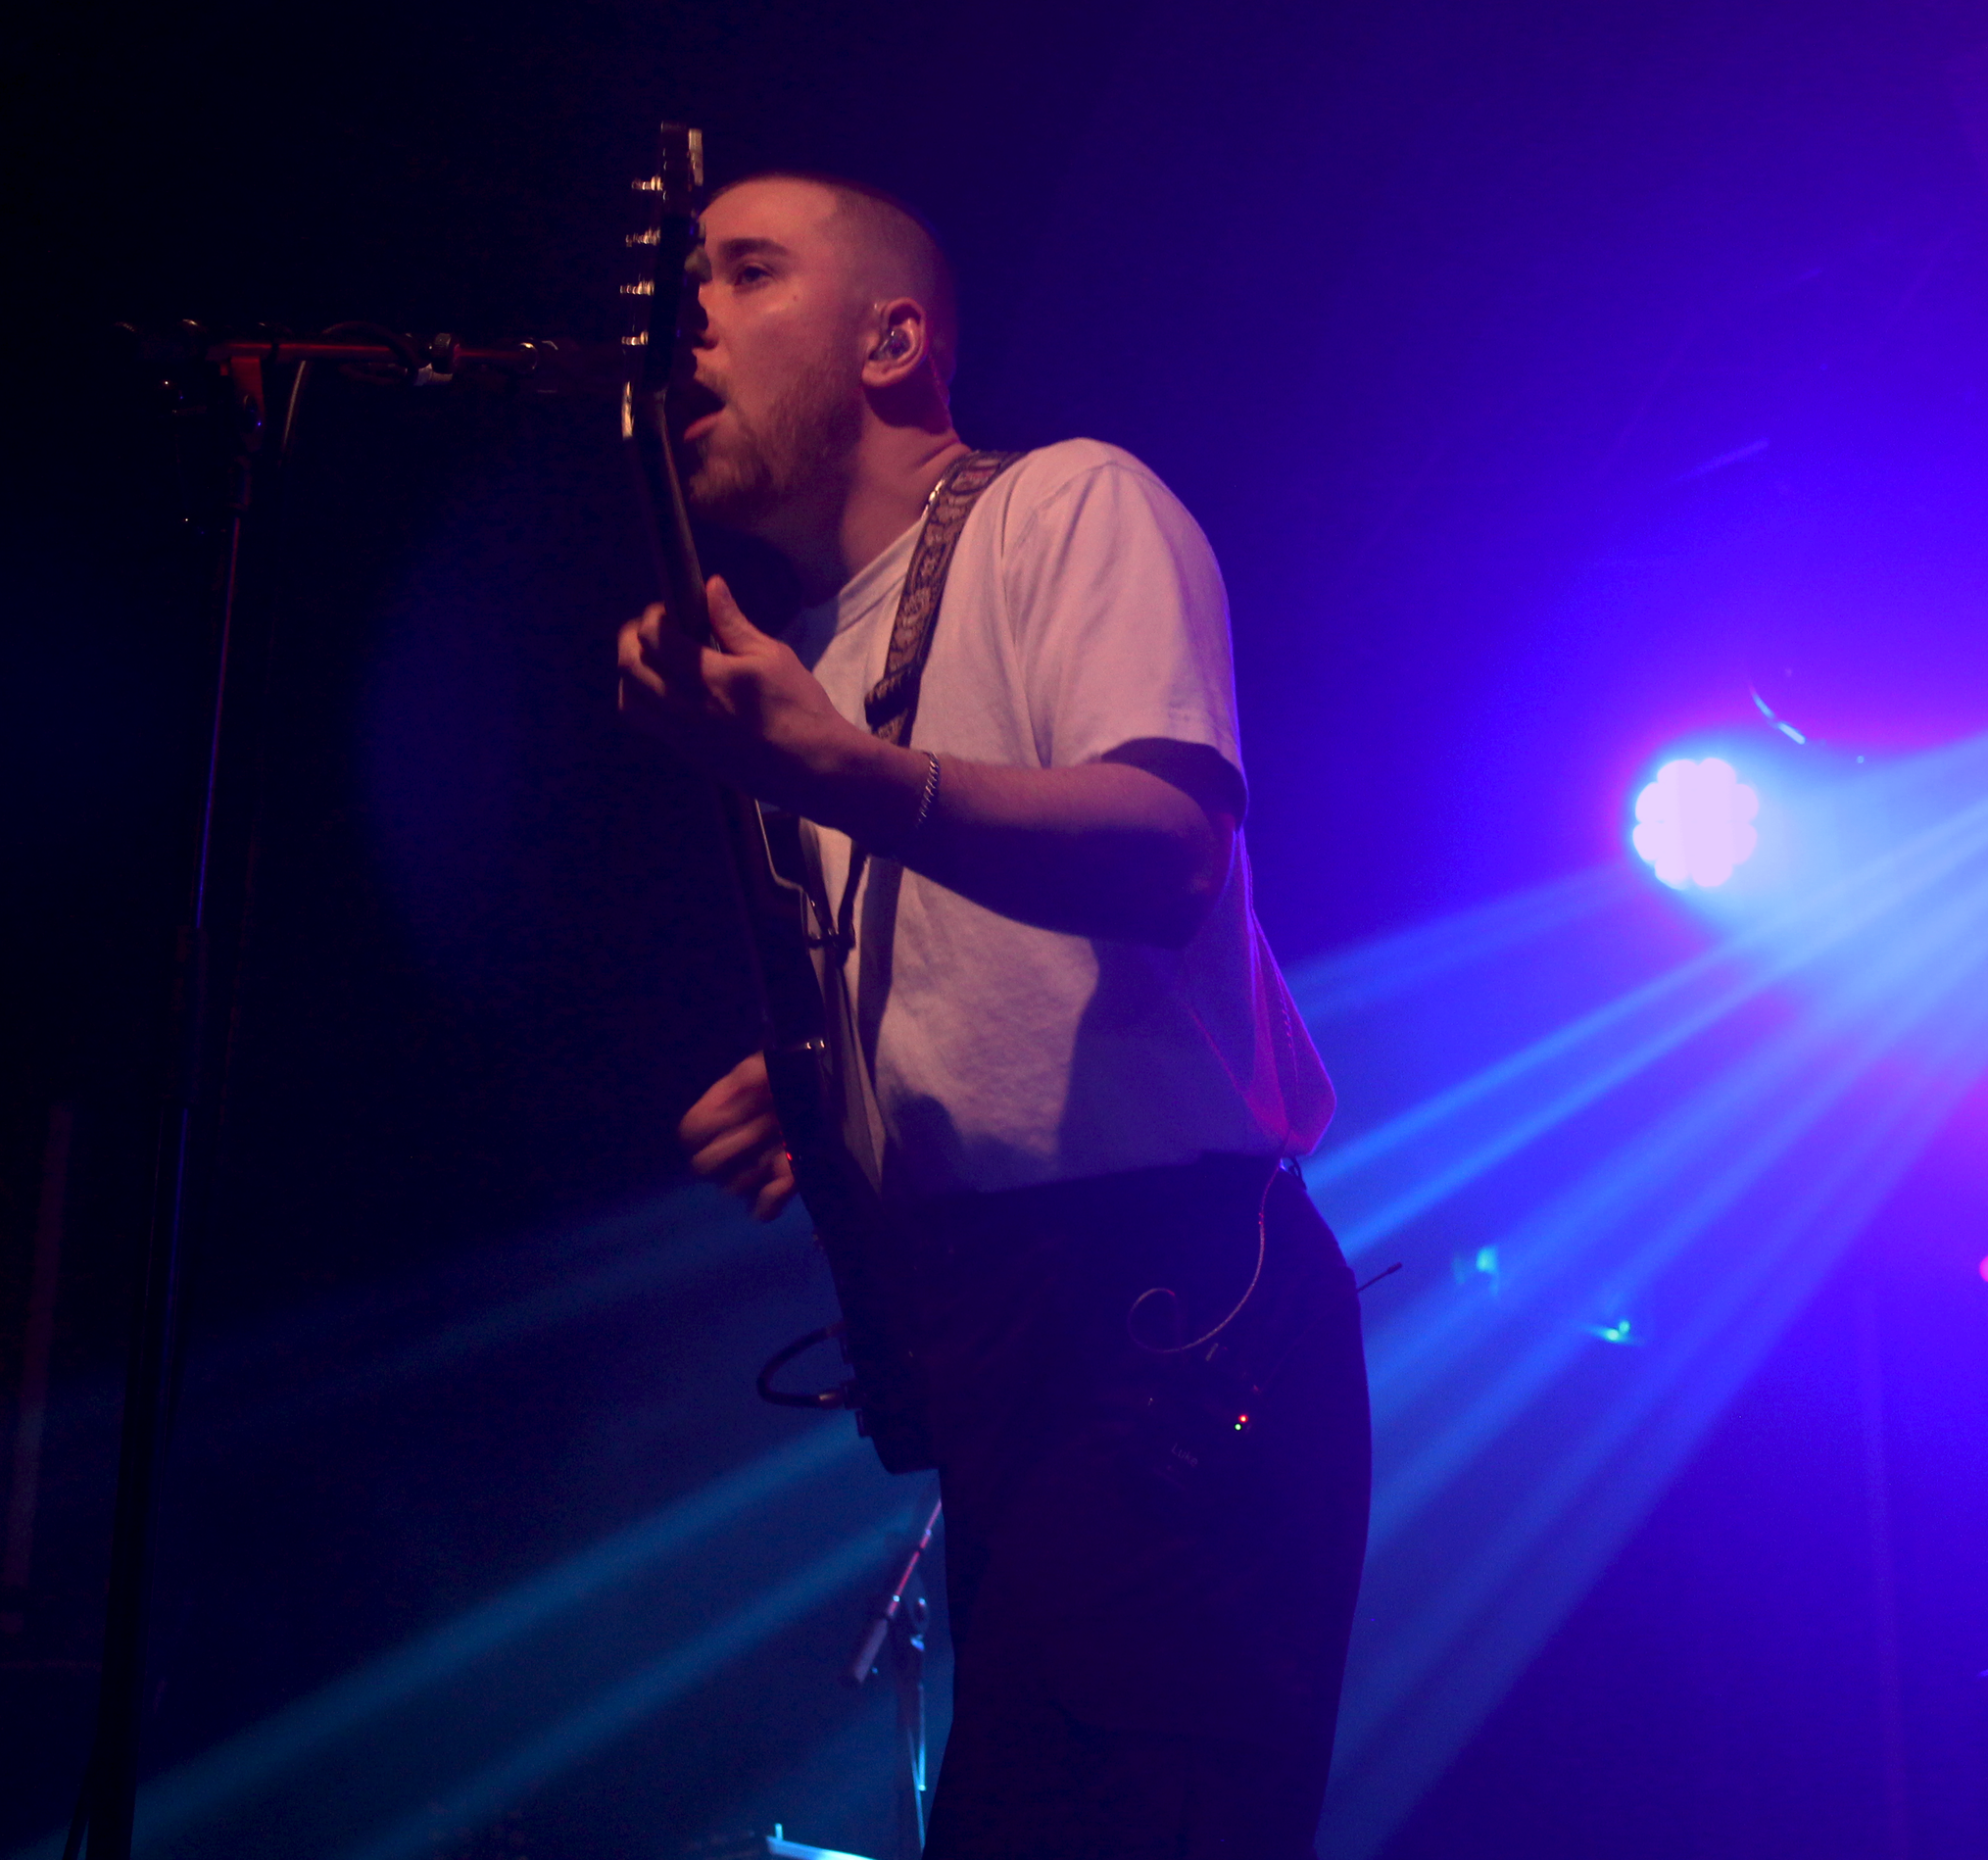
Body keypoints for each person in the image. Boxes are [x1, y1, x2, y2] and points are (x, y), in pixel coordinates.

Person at [615, 173, 1370, 1859]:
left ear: (897, 337)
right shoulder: (823, 643)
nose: (694, 320)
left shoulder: (1067, 504)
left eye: (747, 272)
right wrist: (838, 1064)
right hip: (1007, 1341)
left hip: (1170, 1306)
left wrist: (833, 767)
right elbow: (982, 928)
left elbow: (1171, 852)